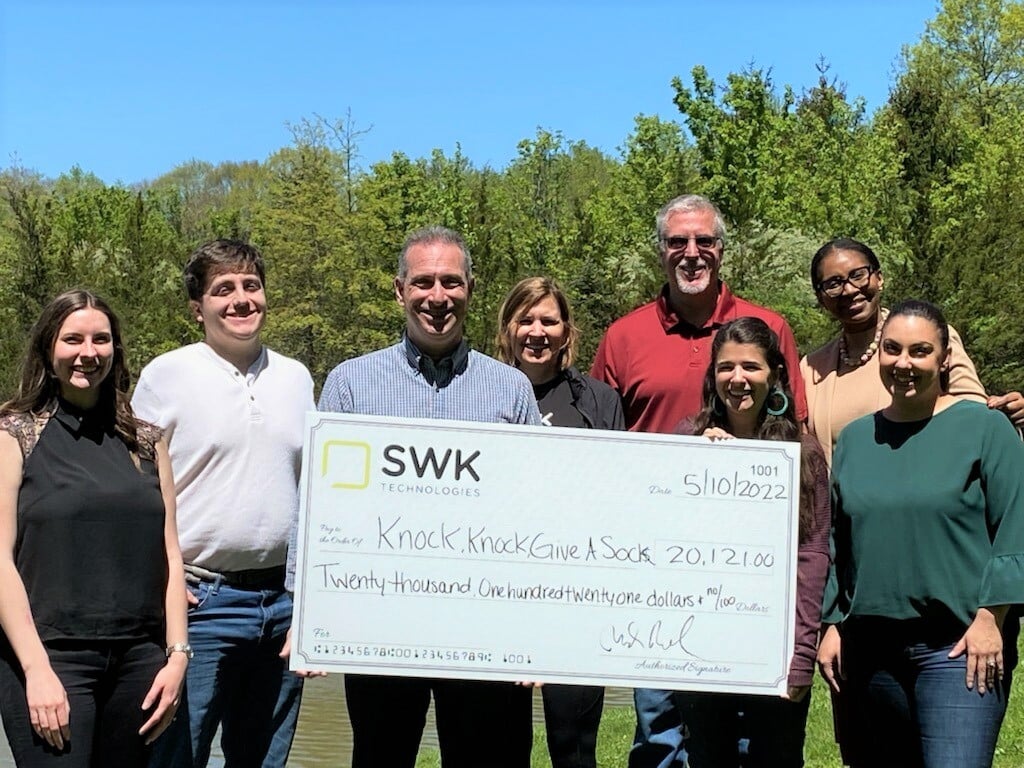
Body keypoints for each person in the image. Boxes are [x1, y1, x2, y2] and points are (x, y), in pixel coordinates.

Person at [307, 226, 540, 768]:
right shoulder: (350, 385)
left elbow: (535, 516)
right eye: (424, 282)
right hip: (379, 626)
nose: (438, 296)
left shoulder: (510, 389)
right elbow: (319, 504)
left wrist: (536, 630)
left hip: (482, 628)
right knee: (380, 757)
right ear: (399, 290)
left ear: (470, 289)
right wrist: (310, 608)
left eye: (451, 282)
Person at [589, 193, 807, 767]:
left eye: (704, 241)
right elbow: (600, 450)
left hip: (748, 571)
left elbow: (792, 443)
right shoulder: (623, 337)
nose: (692, 253)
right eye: (677, 242)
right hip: (653, 565)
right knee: (660, 729)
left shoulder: (768, 328)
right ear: (661, 251)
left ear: (721, 249)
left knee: (747, 737)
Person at [817, 299, 1024, 768]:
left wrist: (993, 618)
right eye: (892, 350)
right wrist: (832, 623)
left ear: (944, 357)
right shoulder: (854, 438)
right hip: (869, 650)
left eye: (919, 351)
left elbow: (1017, 525)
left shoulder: (986, 429)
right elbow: (838, 539)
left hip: (957, 646)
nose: (904, 364)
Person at [132, 240, 314, 768]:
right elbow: (136, 485)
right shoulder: (165, 376)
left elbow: (317, 493)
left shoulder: (297, 378)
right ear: (198, 309)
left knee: (263, 760)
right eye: (223, 290)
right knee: (176, 756)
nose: (240, 299)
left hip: (284, 606)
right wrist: (157, 580)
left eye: (250, 286)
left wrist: (312, 600)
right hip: (200, 604)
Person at [0, 290, 188, 767]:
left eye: (101, 339)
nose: (89, 352)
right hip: (50, 658)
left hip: (141, 663)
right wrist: (36, 669)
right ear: (48, 348)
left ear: (116, 350)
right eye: (73, 339)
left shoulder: (146, 441)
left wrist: (178, 656)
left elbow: (170, 556)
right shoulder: (15, 434)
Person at [674, 317, 829, 767]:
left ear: (775, 375)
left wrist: (800, 656)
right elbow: (663, 541)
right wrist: (697, 465)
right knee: (708, 758)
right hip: (699, 646)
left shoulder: (803, 452)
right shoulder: (686, 440)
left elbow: (813, 555)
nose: (737, 379)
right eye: (725, 368)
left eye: (751, 367)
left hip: (774, 647)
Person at [495, 276, 623, 768]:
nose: (536, 331)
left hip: (576, 600)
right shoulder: (482, 393)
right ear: (507, 329)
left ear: (567, 331)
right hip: (499, 600)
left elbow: (616, 497)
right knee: (501, 748)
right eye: (524, 319)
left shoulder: (599, 401)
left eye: (548, 320)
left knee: (573, 749)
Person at [800, 237, 1024, 465]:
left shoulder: (932, 340)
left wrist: (1004, 414)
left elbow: (975, 415)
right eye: (834, 284)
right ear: (821, 297)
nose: (849, 289)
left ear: (879, 278)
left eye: (858, 275)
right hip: (847, 499)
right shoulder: (811, 368)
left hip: (931, 486)